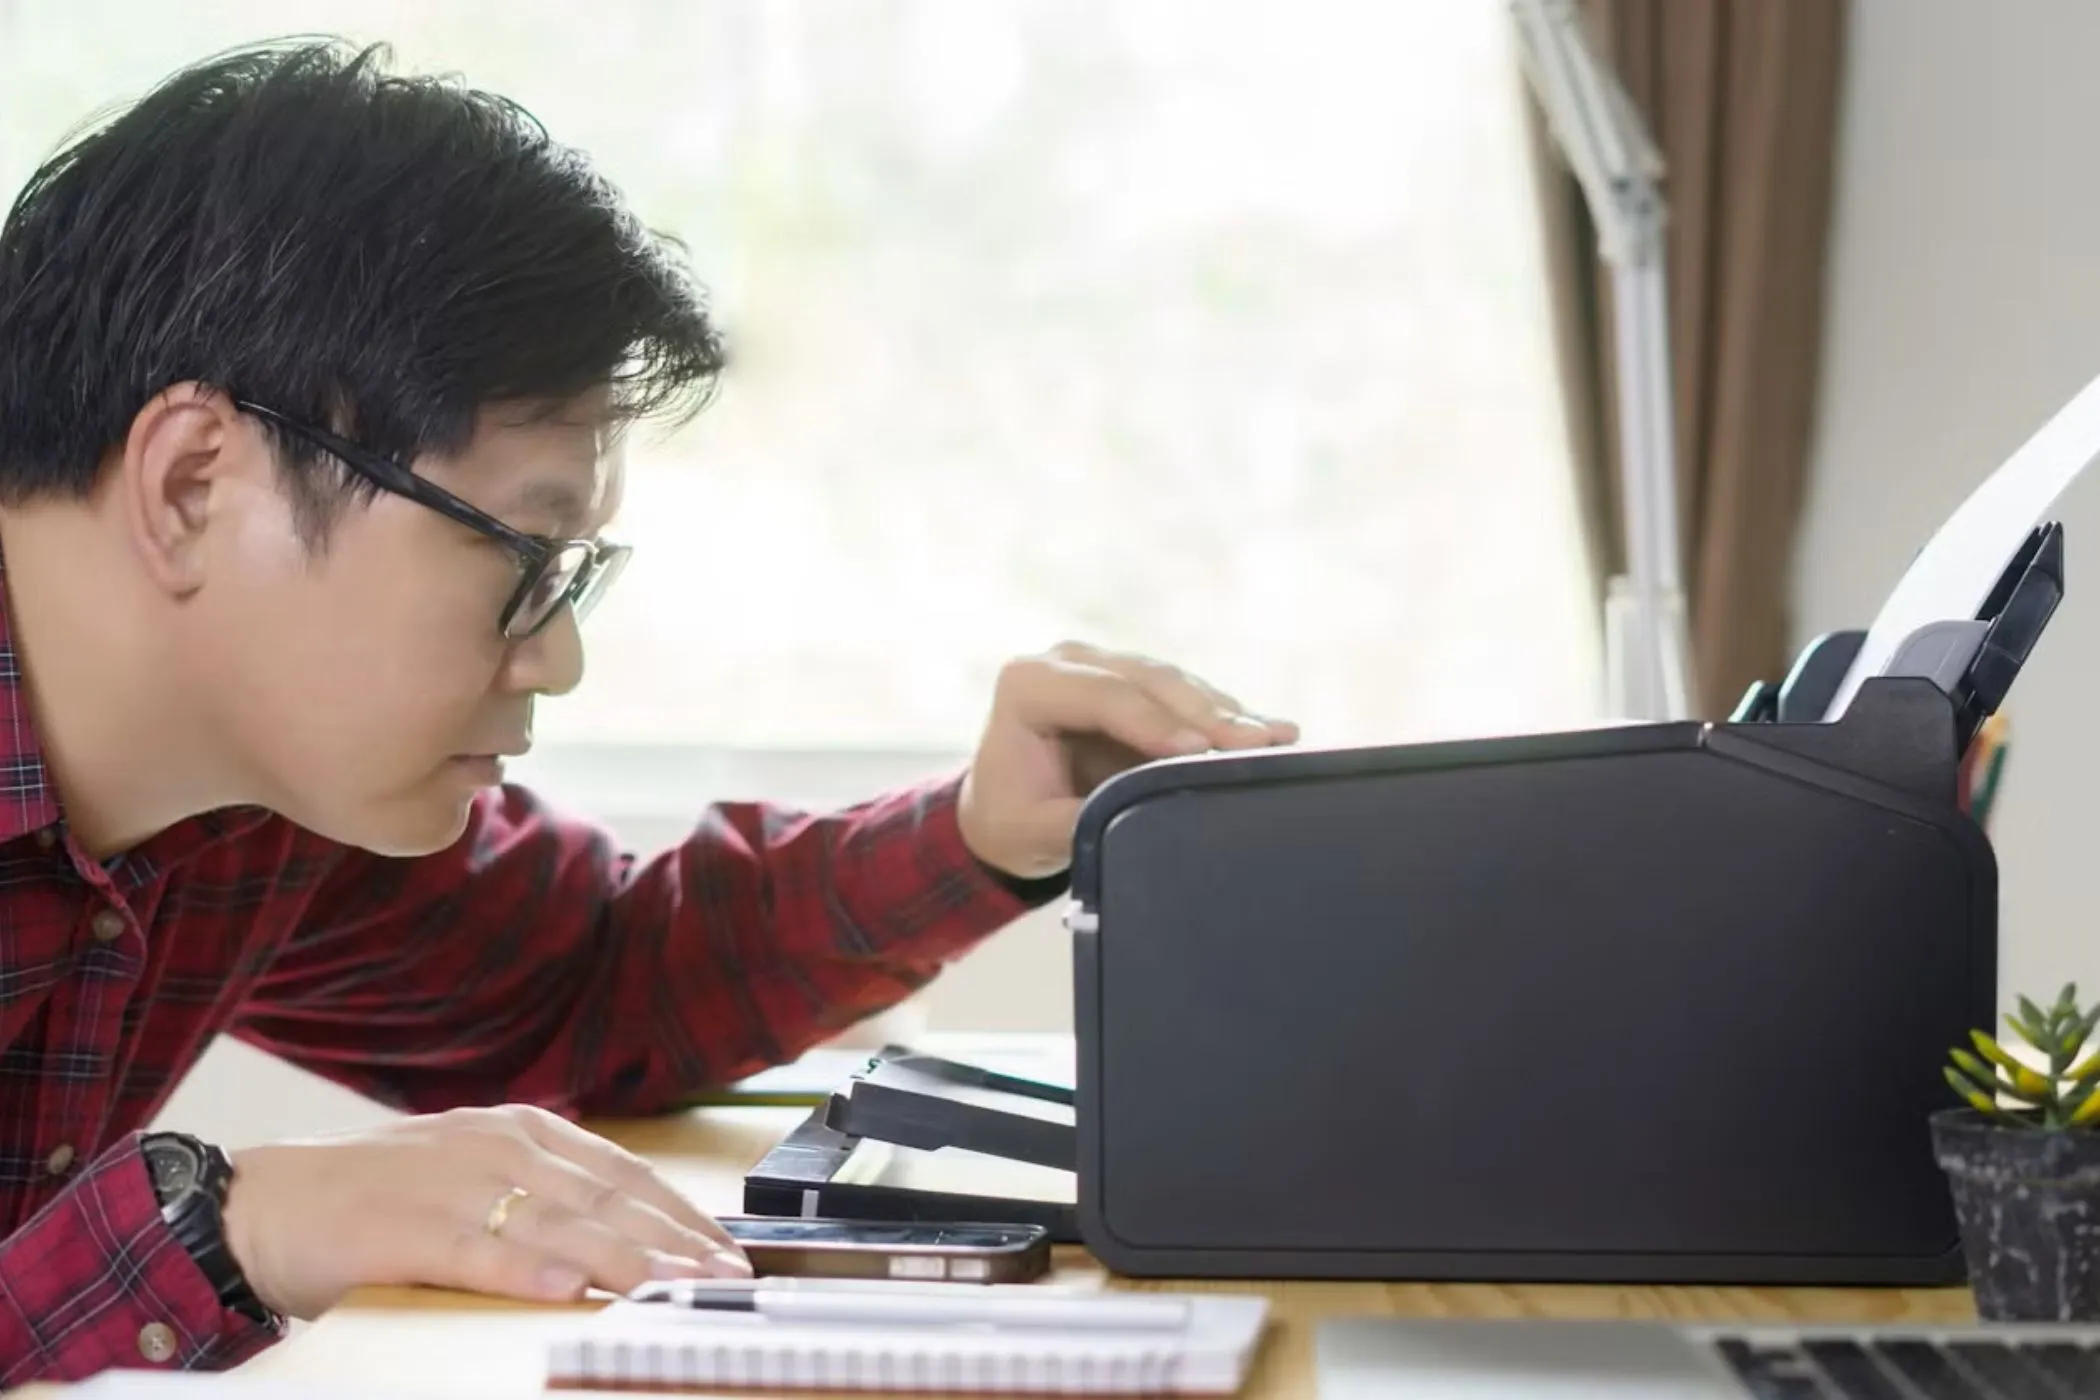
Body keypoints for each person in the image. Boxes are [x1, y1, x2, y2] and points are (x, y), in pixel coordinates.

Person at [0, 38, 1296, 1385]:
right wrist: (227, 1222)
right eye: (521, 556)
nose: (555, 658)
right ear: (196, 485)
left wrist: (978, 836)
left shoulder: (247, 810)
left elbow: (594, 987)